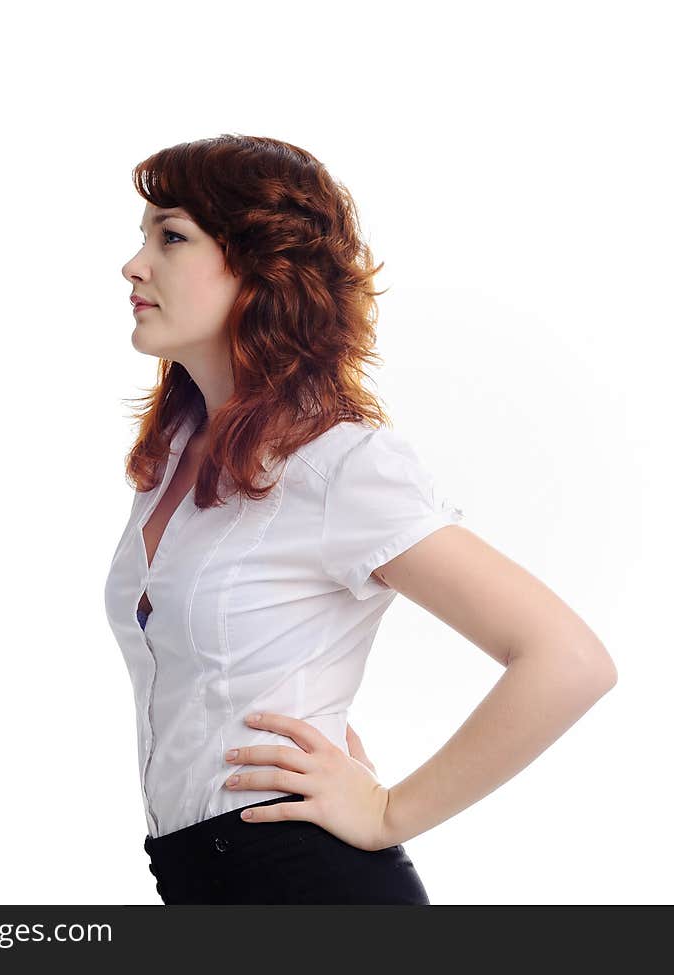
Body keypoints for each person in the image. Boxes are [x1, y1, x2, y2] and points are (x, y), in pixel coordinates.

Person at [104, 133, 618, 905]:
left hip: (308, 886)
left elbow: (568, 659)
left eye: (171, 236)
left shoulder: (338, 463)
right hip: (193, 881)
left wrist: (387, 810)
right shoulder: (174, 453)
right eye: (143, 236)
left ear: (260, 267)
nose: (133, 264)